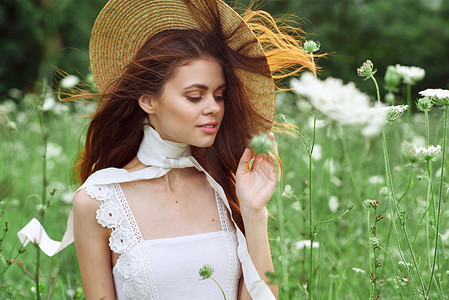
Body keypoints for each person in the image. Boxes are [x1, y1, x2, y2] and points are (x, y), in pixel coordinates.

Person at [17, 0, 314, 299]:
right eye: (195, 96)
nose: (213, 108)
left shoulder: (226, 188)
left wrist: (254, 211)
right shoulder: (97, 200)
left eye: (219, 95)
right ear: (148, 101)